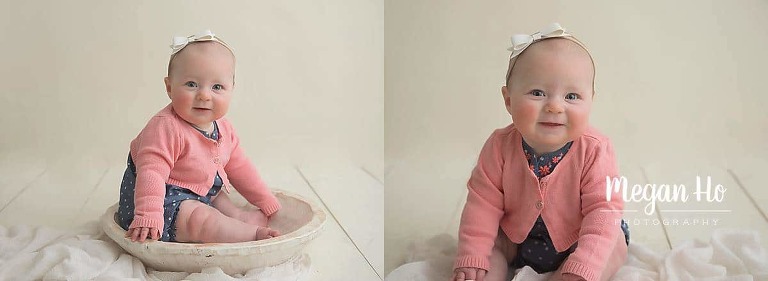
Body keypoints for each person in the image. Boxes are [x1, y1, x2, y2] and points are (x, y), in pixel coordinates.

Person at [452, 23, 629, 281]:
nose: (555, 106)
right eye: (538, 93)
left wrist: (585, 264)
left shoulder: (595, 150)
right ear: (508, 100)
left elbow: (603, 210)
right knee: (486, 245)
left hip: (578, 238)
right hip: (516, 238)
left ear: (591, 101)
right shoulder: (499, 146)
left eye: (571, 96)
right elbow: (482, 203)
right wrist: (474, 252)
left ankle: (572, 273)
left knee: (611, 243)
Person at [116, 30, 281, 243]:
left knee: (218, 196)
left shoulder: (223, 128)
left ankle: (238, 218)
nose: (204, 95)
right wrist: (148, 215)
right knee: (202, 219)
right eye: (192, 84)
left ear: (232, 90)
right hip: (160, 204)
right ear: (169, 87)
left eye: (217, 87)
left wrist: (265, 199)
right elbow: (152, 174)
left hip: (196, 190)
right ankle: (251, 235)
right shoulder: (165, 127)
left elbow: (240, 167)